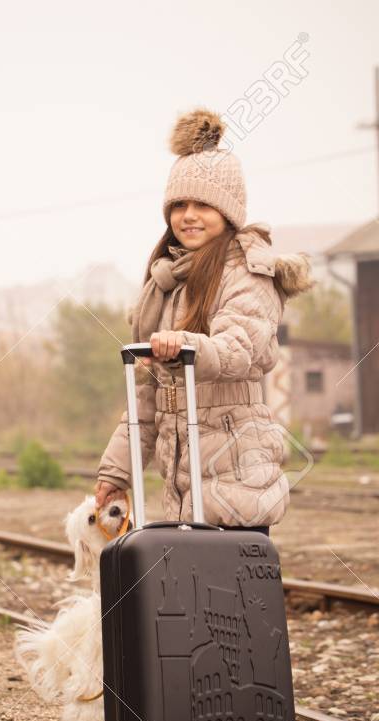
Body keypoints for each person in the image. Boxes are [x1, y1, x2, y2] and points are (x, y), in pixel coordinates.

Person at [93, 108, 312, 535]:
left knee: (232, 592)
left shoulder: (249, 274)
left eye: (202, 205)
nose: (188, 216)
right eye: (179, 205)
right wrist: (116, 473)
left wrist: (187, 345)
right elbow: (146, 397)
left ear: (227, 211)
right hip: (185, 477)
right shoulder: (168, 281)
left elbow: (238, 347)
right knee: (191, 593)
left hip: (235, 471)